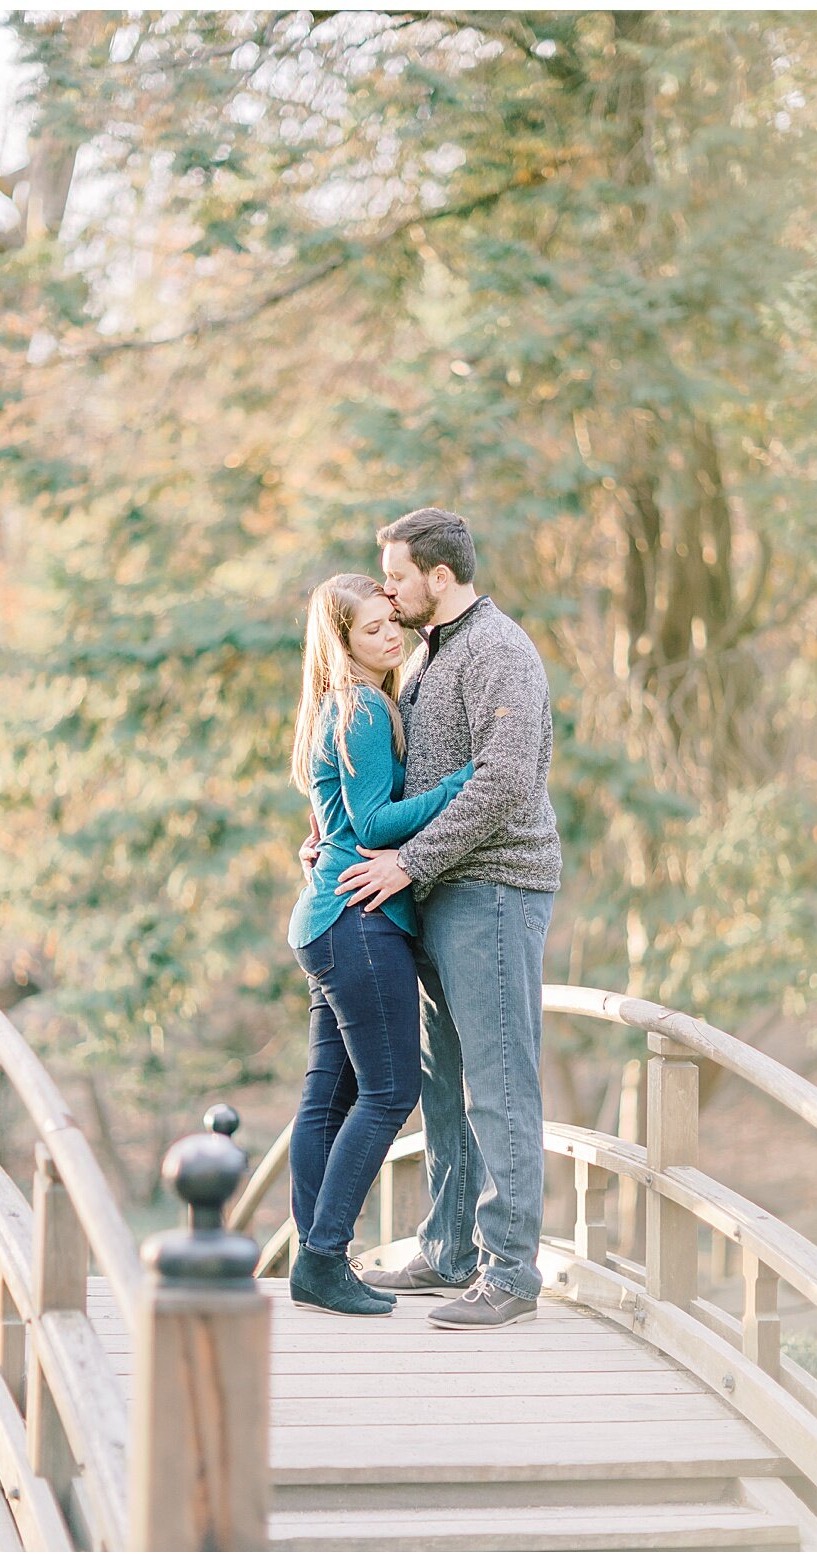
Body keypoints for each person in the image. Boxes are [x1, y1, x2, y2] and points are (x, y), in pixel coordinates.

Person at [336, 508, 562, 1330]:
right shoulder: (434, 654)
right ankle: (451, 1249)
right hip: (437, 894)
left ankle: (511, 1273)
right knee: (443, 1082)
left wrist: (413, 863)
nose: (387, 593)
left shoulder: (500, 652)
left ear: (440, 574)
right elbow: (401, 787)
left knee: (498, 1082)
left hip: (493, 889)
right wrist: (334, 845)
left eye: (396, 576)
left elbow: (501, 784)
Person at [286, 572, 474, 1316]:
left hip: (327, 919)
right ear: (342, 641)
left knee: (326, 1098)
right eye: (370, 630)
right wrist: (462, 781)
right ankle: (324, 1257)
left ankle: (314, 1258)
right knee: (390, 1091)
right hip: (357, 921)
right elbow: (371, 826)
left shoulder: (344, 705)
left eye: (392, 622)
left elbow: (334, 823)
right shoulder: (362, 706)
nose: (390, 637)